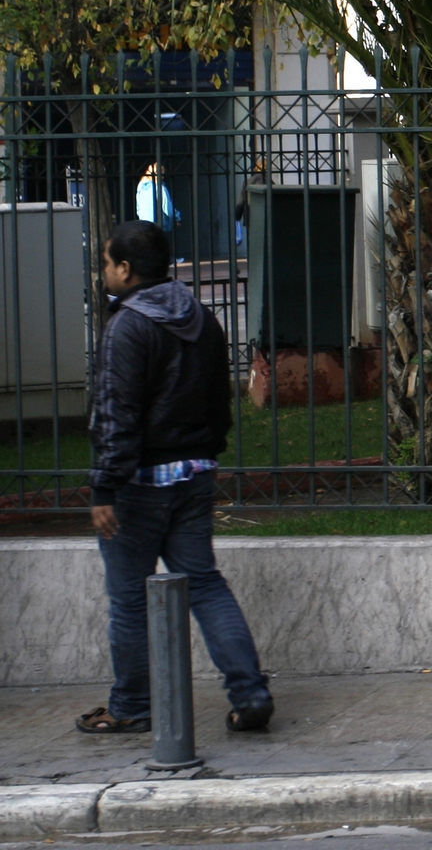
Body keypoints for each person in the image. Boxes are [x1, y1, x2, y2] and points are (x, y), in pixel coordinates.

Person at [79, 220, 273, 735]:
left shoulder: (126, 327)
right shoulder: (202, 319)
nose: (104, 272)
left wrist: (105, 486)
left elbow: (117, 412)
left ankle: (132, 706)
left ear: (125, 268)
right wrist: (204, 454)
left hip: (138, 486)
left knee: (129, 600)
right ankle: (251, 695)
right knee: (205, 585)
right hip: (194, 475)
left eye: (106, 263)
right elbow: (218, 400)